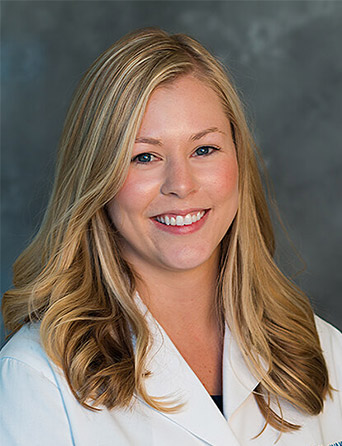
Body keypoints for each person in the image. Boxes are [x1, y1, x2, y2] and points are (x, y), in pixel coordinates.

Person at [1, 27, 341, 446]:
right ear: (97, 179)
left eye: (204, 149)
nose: (181, 184)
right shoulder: (37, 377)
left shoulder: (322, 348)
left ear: (239, 160)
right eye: (144, 156)